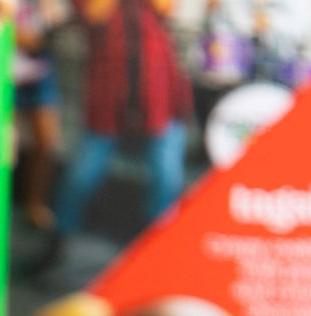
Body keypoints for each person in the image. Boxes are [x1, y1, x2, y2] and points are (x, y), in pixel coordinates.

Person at [36, 0, 191, 270]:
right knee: (81, 177)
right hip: (109, 92)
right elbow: (95, 12)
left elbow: (165, 6)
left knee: (167, 177)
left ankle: (157, 253)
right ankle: (58, 243)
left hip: (158, 91)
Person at [14, 0, 62, 230]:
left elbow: (56, 20)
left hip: (40, 70)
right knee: (3, 144)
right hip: (4, 68)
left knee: (46, 142)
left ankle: (36, 205)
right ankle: (0, 200)